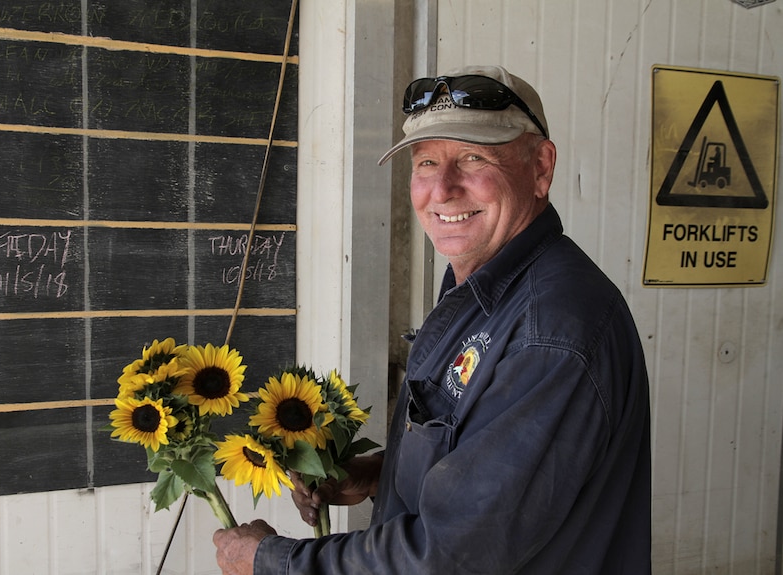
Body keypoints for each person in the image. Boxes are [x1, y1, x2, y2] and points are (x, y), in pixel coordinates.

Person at [214, 64, 651, 574]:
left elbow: (451, 556)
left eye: (472, 158)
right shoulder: (482, 285)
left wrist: (273, 562)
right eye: (425, 163)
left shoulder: (550, 332)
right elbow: (492, 477)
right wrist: (379, 476)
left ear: (541, 169)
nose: (442, 189)